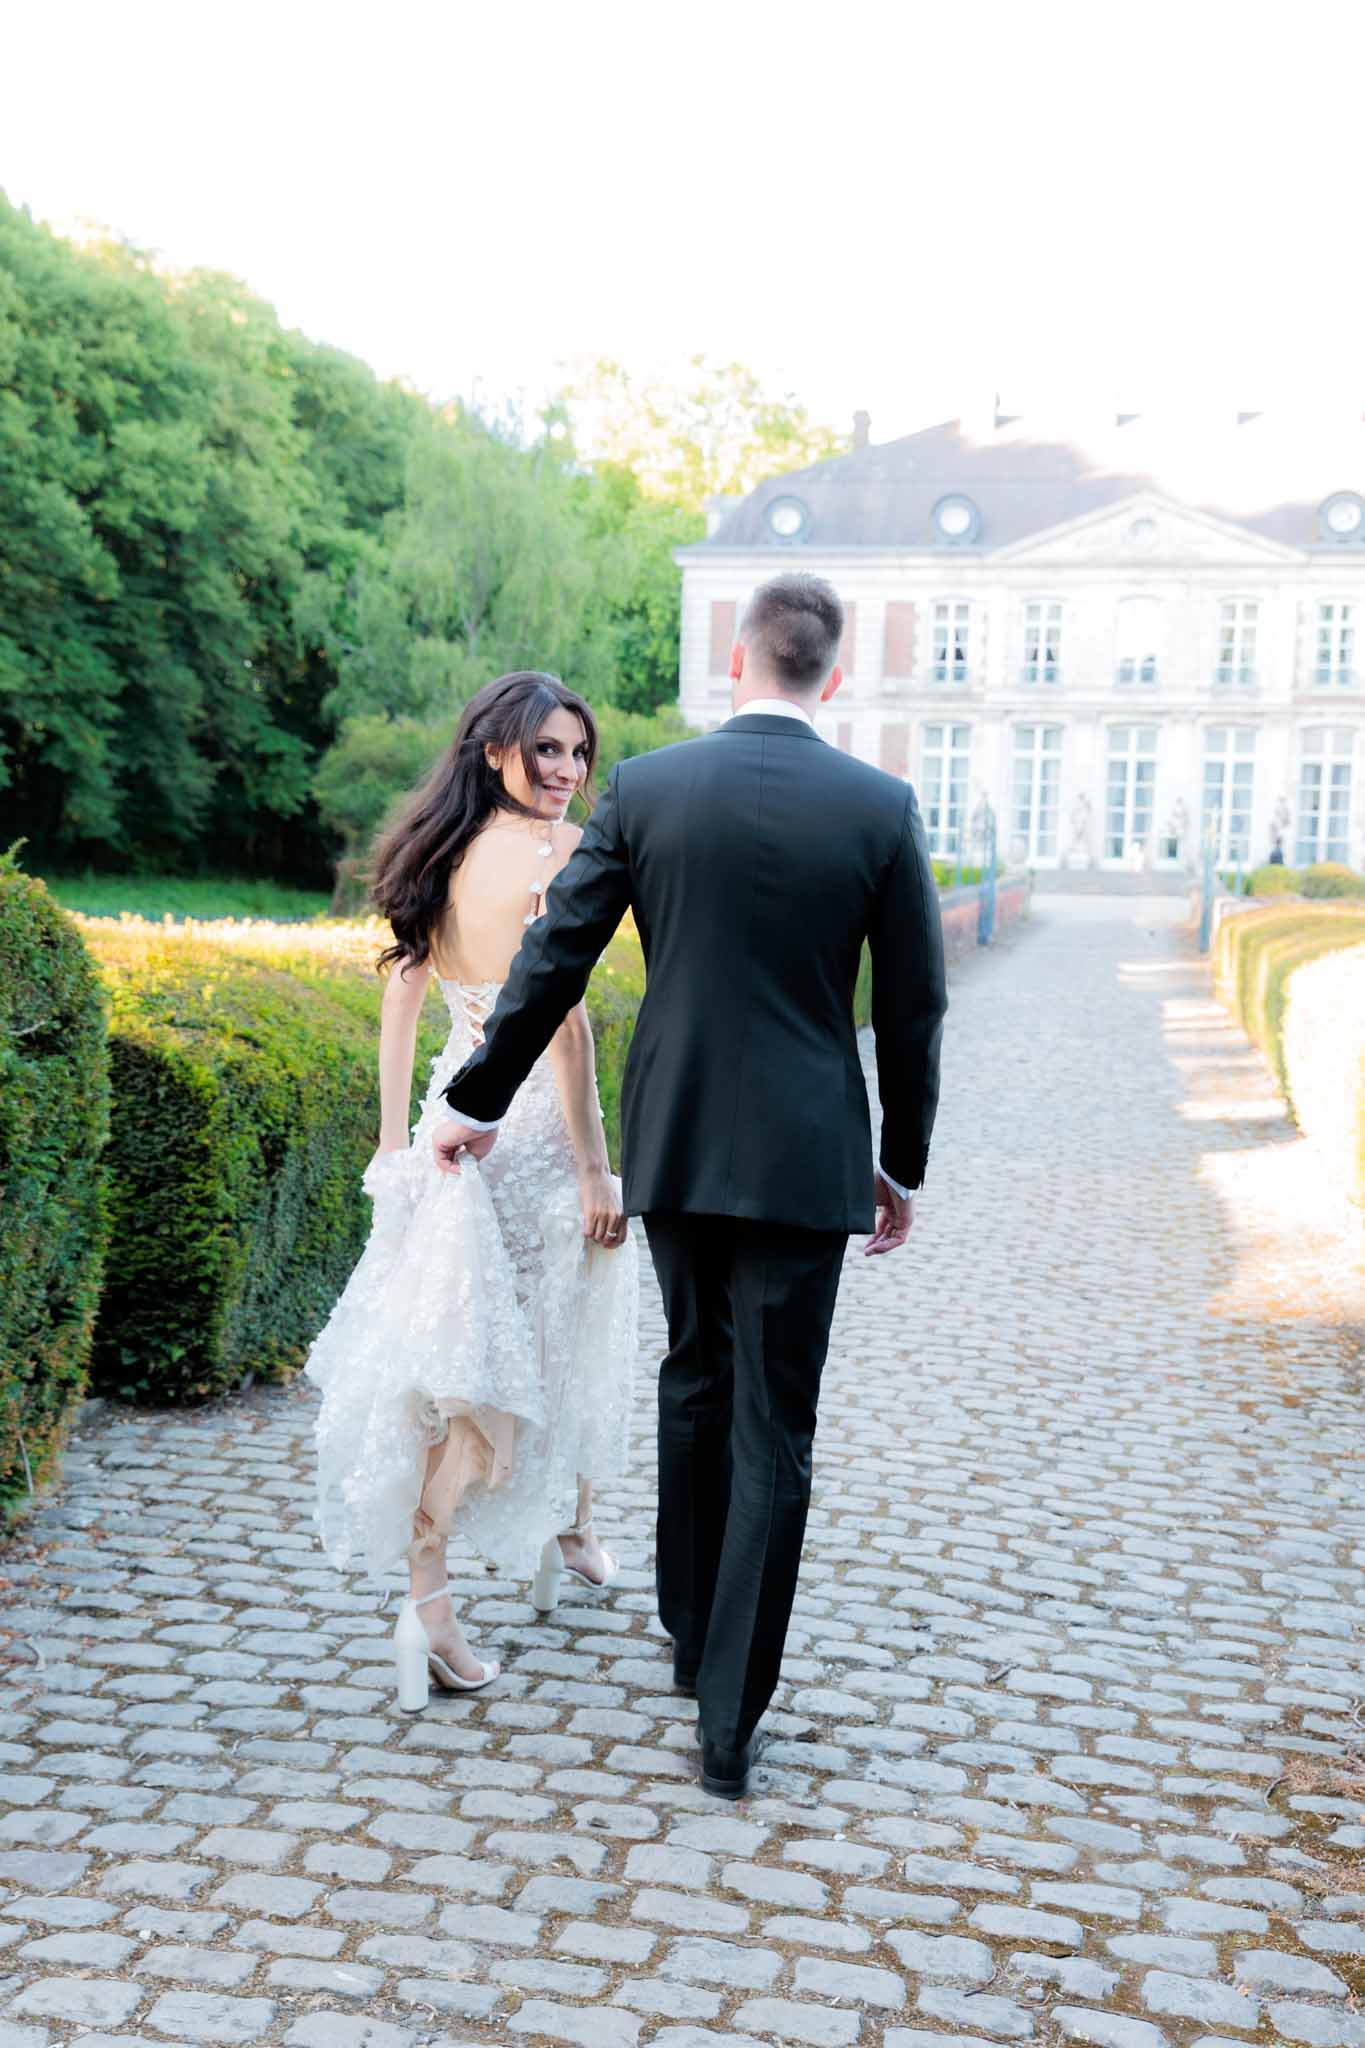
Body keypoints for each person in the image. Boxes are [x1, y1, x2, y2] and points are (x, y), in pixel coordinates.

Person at [433, 575, 946, 1796]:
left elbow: (556, 955)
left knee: (695, 1373)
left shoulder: (651, 785)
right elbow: (917, 1005)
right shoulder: (881, 806)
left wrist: (473, 1098)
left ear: (737, 657)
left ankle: (686, 1639)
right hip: (810, 1155)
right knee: (778, 1419)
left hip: (679, 1138)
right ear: (833, 671)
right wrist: (903, 1161)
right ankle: (728, 1711)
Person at [305, 673, 638, 1714]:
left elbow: (404, 988)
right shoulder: (560, 853)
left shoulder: (438, 843)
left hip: (454, 1118)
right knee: (552, 1332)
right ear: (498, 747)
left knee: (454, 1358)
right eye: (546, 750)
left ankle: (435, 1595)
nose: (567, 772)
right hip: (529, 1127)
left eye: (578, 754)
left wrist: (393, 1135)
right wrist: (592, 1163)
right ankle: (562, 1530)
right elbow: (567, 1025)